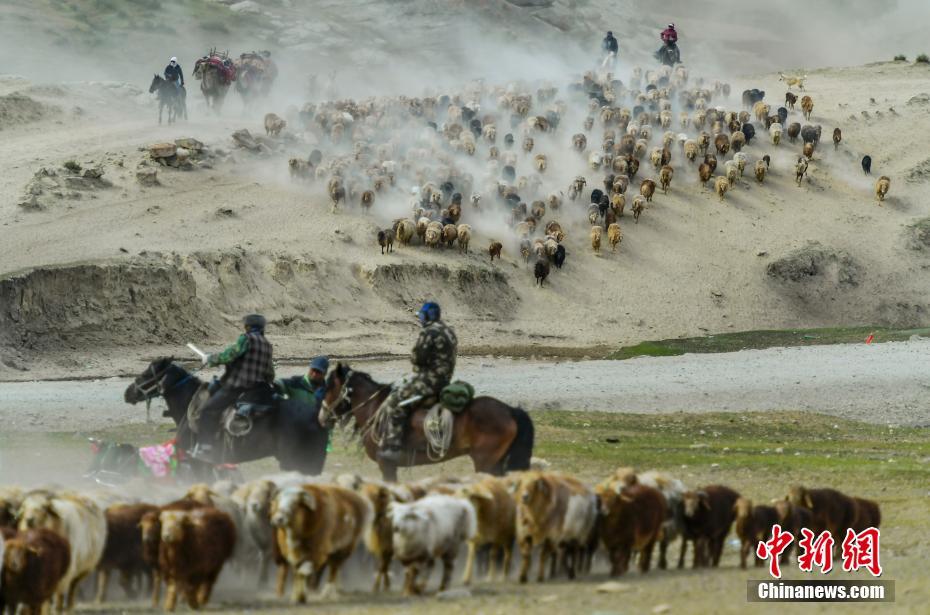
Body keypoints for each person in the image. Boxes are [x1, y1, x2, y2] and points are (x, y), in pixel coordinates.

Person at [376, 302, 458, 462]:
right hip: (445, 380)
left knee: (395, 401)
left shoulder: (429, 332)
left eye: (422, 315)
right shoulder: (449, 331)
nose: (420, 318)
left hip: (429, 381)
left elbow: (418, 358)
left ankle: (394, 446)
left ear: (429, 316)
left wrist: (416, 361)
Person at [193, 314, 275, 459]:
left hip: (237, 387)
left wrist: (210, 359)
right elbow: (270, 374)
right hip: (258, 390)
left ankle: (205, 448)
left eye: (246, 325)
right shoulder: (268, 345)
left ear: (248, 327)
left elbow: (230, 355)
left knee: (207, 410)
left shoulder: (246, 339)